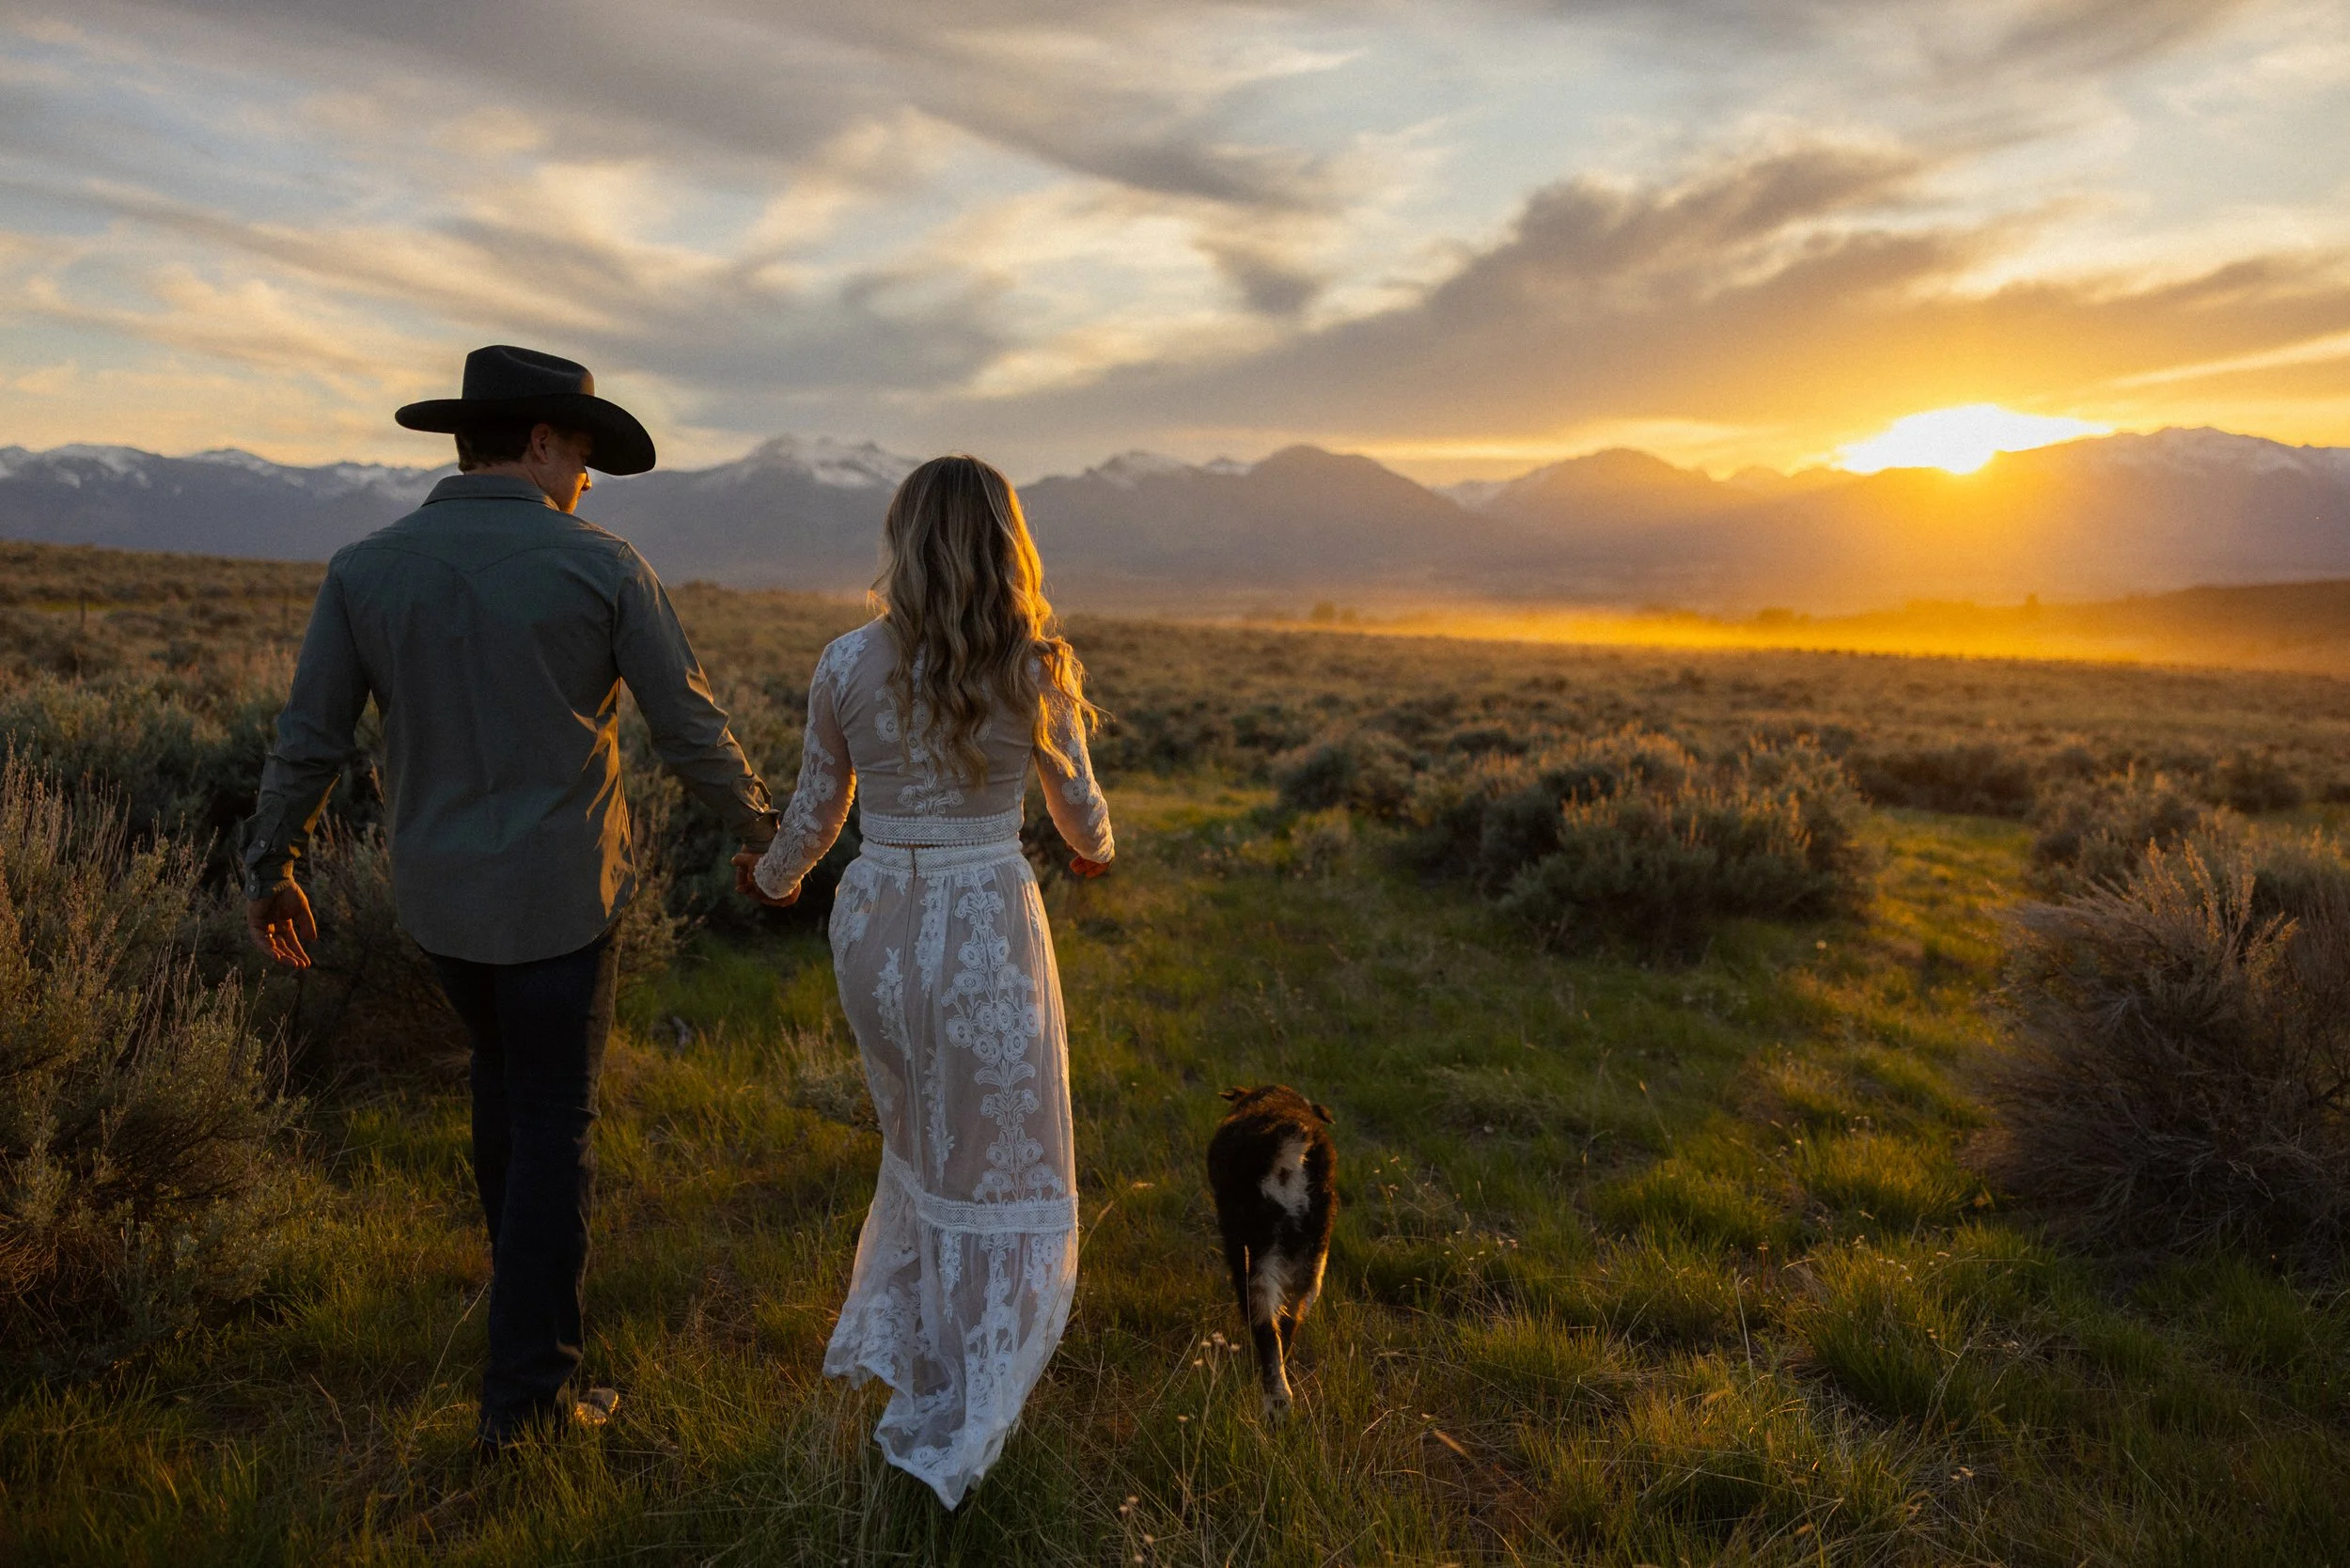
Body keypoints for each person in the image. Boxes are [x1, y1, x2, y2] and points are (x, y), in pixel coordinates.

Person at [242, 344, 781, 1450]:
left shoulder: (364, 567)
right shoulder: (604, 567)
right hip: (562, 899)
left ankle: (523, 1338)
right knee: (551, 1125)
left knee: (503, 1092)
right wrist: (771, 839)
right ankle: (531, 1402)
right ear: (539, 442)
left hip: (440, 900)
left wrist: (272, 866)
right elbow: (690, 730)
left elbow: (310, 742)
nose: (586, 481)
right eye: (583, 456)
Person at [741, 454, 1114, 1508]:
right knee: (997, 1164)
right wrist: (1094, 848)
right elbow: (1083, 816)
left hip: (876, 932)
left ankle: (932, 1359)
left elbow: (814, 815)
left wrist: (772, 883)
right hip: (986, 927)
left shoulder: (845, 661)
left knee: (919, 1144)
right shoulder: (1034, 664)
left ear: (902, 541)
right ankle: (971, 1380)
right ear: (1008, 543)